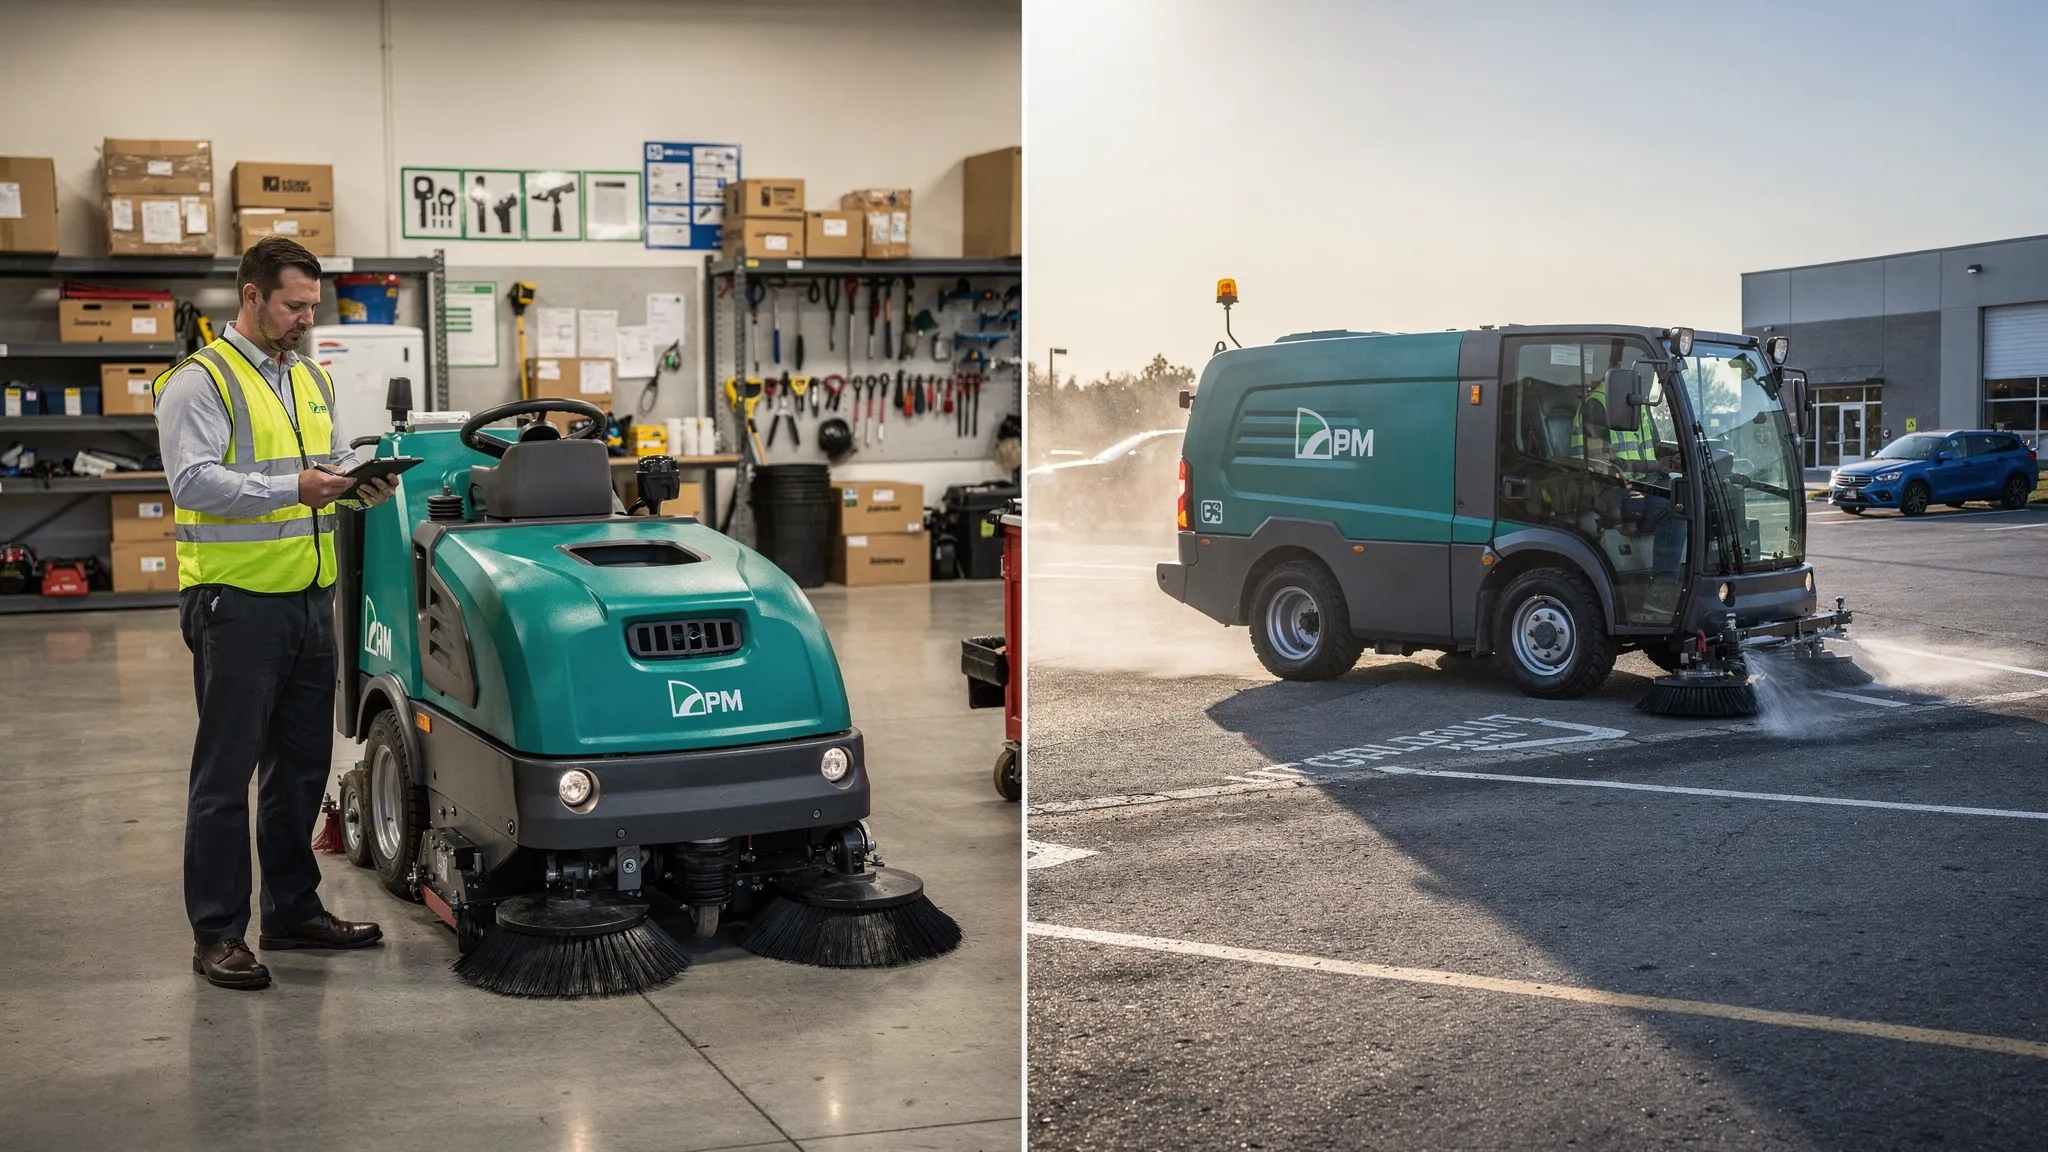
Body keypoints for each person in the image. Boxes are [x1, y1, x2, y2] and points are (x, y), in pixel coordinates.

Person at [154, 236, 399, 990]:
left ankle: (293, 910)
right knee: (224, 778)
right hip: (236, 606)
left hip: (306, 599)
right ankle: (218, 934)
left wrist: (354, 487)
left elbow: (318, 472)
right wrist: (297, 489)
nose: (304, 319)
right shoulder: (200, 383)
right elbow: (193, 482)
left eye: (311, 306)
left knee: (300, 770)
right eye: (293, 305)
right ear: (251, 296)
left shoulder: (312, 379)